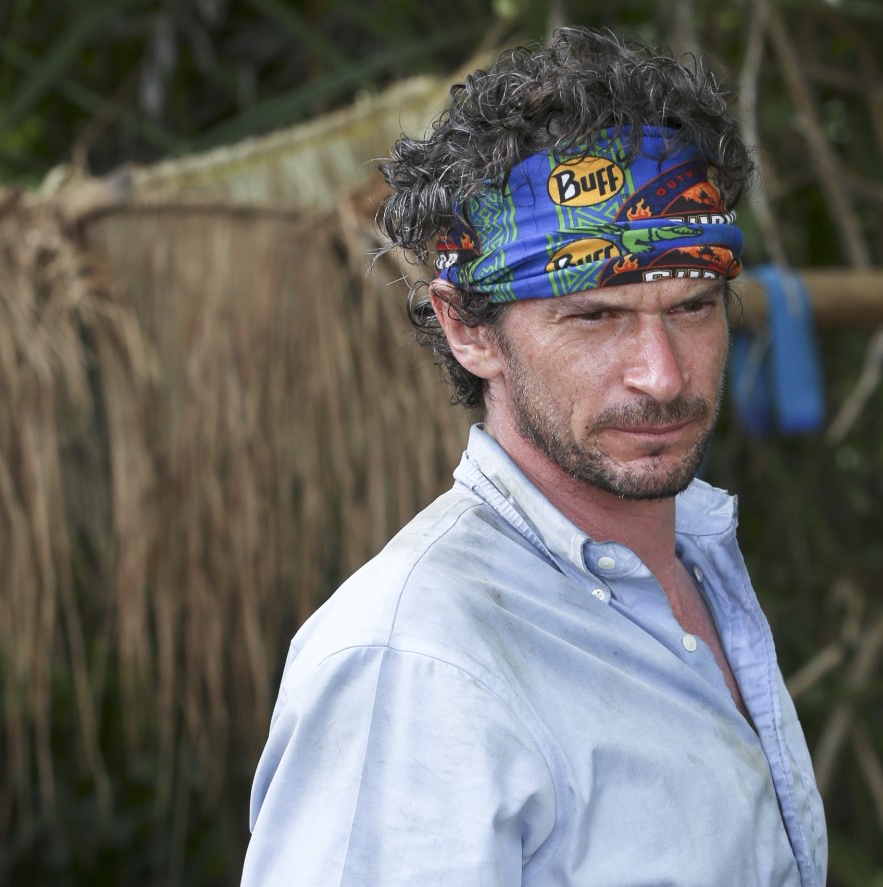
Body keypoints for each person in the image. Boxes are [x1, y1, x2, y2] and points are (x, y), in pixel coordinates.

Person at [242, 27, 827, 886]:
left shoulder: (699, 566)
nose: (663, 375)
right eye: (595, 317)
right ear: (468, 328)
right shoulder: (412, 661)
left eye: (694, 307)